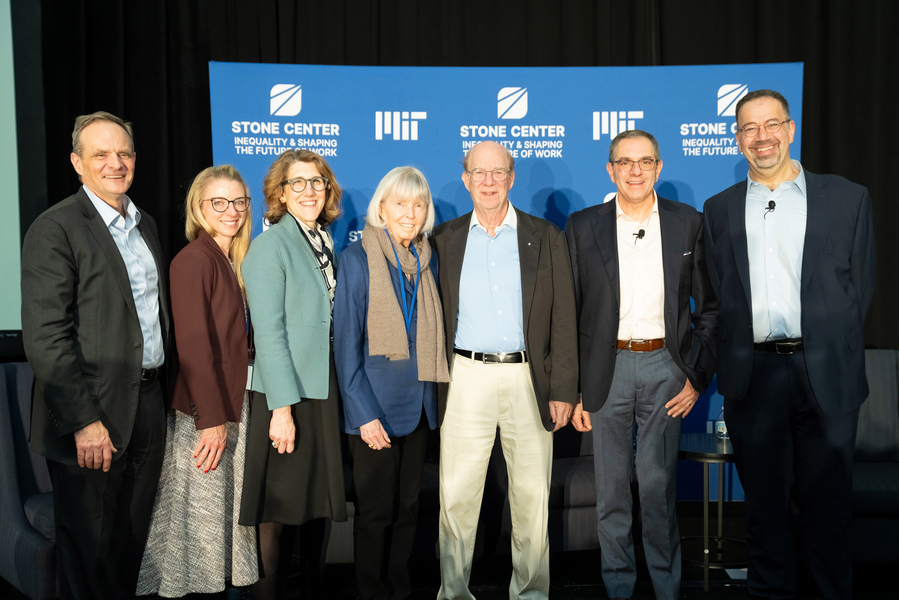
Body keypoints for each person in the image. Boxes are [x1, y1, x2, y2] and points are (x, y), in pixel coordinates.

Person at [703, 89, 876, 600]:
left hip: (826, 374)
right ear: (737, 138)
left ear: (790, 129)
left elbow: (859, 290)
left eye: (771, 125)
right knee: (764, 509)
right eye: (749, 129)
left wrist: (825, 343)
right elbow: (717, 294)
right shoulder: (719, 209)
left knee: (828, 508)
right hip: (753, 376)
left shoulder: (848, 197)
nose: (762, 138)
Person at [21, 111, 170, 599]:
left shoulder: (144, 223)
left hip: (147, 404)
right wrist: (84, 420)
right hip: (93, 412)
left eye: (123, 153)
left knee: (129, 546)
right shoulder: (56, 227)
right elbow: (47, 336)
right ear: (77, 163)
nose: (115, 163)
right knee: (88, 554)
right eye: (100, 154)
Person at [566, 130, 718, 600]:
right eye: (625, 162)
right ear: (610, 170)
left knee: (657, 488)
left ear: (659, 167)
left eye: (645, 161)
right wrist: (572, 390)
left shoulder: (687, 222)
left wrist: (694, 376)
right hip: (603, 370)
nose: (635, 171)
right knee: (611, 492)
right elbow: (567, 311)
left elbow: (710, 307)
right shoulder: (582, 224)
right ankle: (618, 588)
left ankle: (667, 588)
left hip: (665, 369)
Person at [429, 141, 578, 600]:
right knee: (455, 496)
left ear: (511, 178)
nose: (489, 182)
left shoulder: (544, 235)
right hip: (465, 376)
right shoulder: (444, 239)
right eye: (479, 173)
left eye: (498, 173)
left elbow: (564, 318)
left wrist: (564, 389)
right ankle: (453, 591)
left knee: (532, 496)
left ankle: (530, 592)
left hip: (527, 379)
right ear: (466, 178)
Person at [136, 165, 258, 597]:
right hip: (204, 414)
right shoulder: (193, 259)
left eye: (238, 202)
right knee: (198, 528)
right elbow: (192, 345)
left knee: (214, 524)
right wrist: (209, 419)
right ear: (198, 208)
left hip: (228, 407)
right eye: (219, 203)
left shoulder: (231, 259)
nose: (231, 211)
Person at [335, 166, 449, 600]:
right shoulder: (358, 259)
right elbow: (346, 348)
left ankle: (398, 590)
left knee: (406, 510)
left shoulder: (427, 257)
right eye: (401, 204)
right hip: (374, 412)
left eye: (419, 205)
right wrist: (363, 415)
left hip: (418, 406)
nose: (411, 213)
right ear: (382, 208)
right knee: (375, 513)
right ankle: (370, 592)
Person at [239, 149, 348, 600]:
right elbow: (269, 333)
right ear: (280, 193)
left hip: (321, 389)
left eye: (317, 182)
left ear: (328, 191)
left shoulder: (323, 241)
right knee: (277, 512)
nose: (309, 191)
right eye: (297, 183)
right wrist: (281, 408)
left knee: (317, 503)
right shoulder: (270, 245)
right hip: (284, 396)